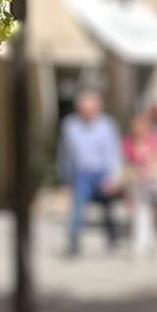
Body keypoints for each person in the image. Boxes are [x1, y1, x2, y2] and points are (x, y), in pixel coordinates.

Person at [58, 87, 123, 254]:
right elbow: (65, 153)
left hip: (102, 173)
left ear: (97, 108)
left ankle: (113, 239)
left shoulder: (107, 126)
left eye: (90, 108)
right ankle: (74, 243)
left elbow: (113, 153)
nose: (87, 112)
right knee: (78, 208)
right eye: (83, 109)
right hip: (81, 174)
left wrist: (113, 177)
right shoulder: (70, 126)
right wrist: (65, 178)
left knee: (107, 209)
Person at [122, 104, 157, 257]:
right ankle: (139, 241)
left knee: (148, 211)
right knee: (137, 211)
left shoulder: (153, 140)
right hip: (135, 180)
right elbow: (128, 162)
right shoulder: (128, 142)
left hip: (150, 180)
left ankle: (148, 240)